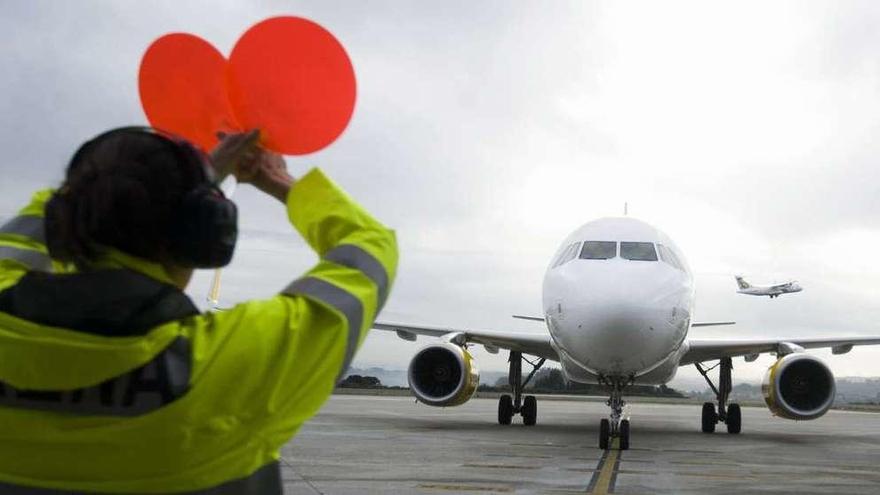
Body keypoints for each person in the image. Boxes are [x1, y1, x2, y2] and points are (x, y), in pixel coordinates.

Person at [0, 126, 397, 493]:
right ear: (205, 236)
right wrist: (280, 183)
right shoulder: (231, 364)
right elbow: (369, 249)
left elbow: (20, 242)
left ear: (58, 219)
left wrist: (91, 191)